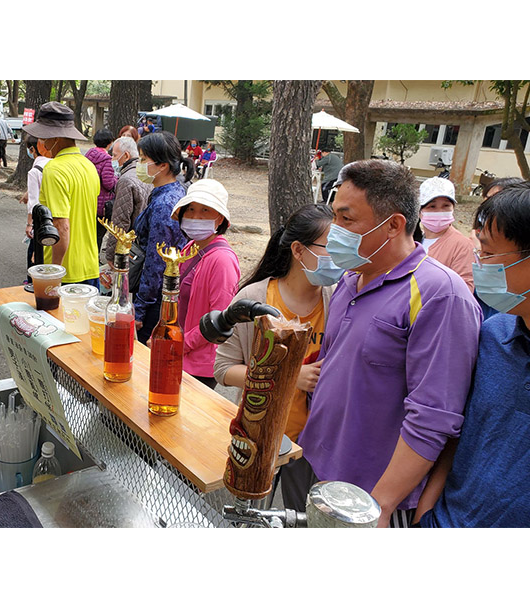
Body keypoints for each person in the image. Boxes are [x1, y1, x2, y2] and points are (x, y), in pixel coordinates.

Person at [295, 159, 483, 527]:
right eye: (335, 216)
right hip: (318, 463)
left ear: (393, 225)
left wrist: (381, 505)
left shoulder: (439, 295)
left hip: (373, 496)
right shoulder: (352, 278)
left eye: (347, 220)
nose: (335, 231)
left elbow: (432, 416)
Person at [415, 182, 530, 527]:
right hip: (445, 522)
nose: (479, 265)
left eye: (490, 255)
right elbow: (462, 434)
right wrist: (426, 512)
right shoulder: (493, 336)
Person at [214, 203, 340, 509]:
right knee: (247, 514)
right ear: (298, 250)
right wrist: (286, 378)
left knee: (299, 517)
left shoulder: (337, 300)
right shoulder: (254, 300)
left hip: (312, 443)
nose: (340, 258)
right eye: (332, 247)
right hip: (259, 437)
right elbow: (222, 369)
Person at [169, 180, 240, 389]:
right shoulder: (190, 248)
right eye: (190, 209)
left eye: (205, 210)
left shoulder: (222, 260)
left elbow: (220, 319)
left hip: (198, 366)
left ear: (219, 219)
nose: (195, 216)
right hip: (178, 353)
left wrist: (181, 344)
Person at [22, 101, 100, 287]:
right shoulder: (88, 166)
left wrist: (54, 272)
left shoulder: (54, 169)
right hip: (89, 263)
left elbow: (61, 226)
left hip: (64, 270)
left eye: (42, 136)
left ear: (53, 138)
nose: (41, 141)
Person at [132, 131, 192, 344]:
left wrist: (139, 309)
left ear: (162, 166)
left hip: (156, 299)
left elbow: (156, 261)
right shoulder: (170, 191)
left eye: (143, 160)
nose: (138, 165)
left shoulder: (165, 204)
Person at [413, 177, 475, 292]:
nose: (439, 211)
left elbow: (464, 290)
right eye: (432, 206)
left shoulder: (462, 245)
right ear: (420, 211)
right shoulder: (412, 241)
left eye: (446, 206)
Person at [103, 136, 152, 266]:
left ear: (126, 155)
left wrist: (111, 254)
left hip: (129, 247)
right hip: (144, 243)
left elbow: (120, 221)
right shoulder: (146, 173)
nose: (112, 160)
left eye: (114, 155)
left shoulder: (126, 180)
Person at [20, 134, 52, 278]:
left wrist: (29, 224)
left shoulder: (34, 171)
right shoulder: (53, 164)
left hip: (41, 217)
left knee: (34, 251)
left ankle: (32, 281)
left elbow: (33, 203)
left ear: (33, 149)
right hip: (56, 213)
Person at [85, 128, 117, 252]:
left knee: (88, 233)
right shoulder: (106, 159)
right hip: (101, 204)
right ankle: (94, 258)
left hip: (88, 200)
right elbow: (108, 183)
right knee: (98, 235)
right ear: (110, 142)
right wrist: (117, 179)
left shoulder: (88, 155)